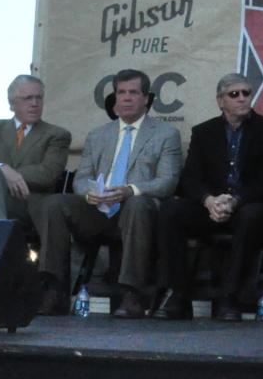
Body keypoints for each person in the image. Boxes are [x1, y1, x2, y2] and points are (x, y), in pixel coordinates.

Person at [30, 69, 184, 317]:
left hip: (138, 213)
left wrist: (129, 190)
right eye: (121, 93)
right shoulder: (98, 135)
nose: (126, 98)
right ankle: (54, 290)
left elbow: (167, 182)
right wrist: (90, 193)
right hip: (98, 210)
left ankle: (131, 294)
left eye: (133, 93)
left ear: (146, 98)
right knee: (53, 204)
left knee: (137, 204)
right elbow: (81, 178)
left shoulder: (166, 134)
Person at [156, 74, 263, 321]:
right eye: (234, 94)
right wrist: (209, 200)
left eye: (246, 93)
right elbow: (190, 179)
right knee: (171, 211)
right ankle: (178, 294)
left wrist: (235, 200)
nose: (242, 98)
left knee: (252, 216)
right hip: (211, 206)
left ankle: (229, 297)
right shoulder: (204, 132)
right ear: (220, 101)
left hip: (247, 206)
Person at [0, 74, 71, 233]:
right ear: (12, 103)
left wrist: (4, 174)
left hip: (29, 204)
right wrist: (2, 169)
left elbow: (48, 173)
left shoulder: (57, 135)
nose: (34, 103)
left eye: (39, 98)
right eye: (28, 98)